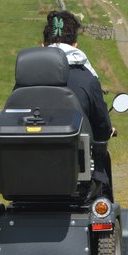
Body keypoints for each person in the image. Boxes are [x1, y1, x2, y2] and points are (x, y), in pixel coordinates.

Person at [41, 10, 115, 193]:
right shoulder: (88, 80)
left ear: (43, 46)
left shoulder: (24, 80)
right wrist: (108, 130)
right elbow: (102, 129)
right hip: (78, 180)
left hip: (27, 176)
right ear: (75, 45)